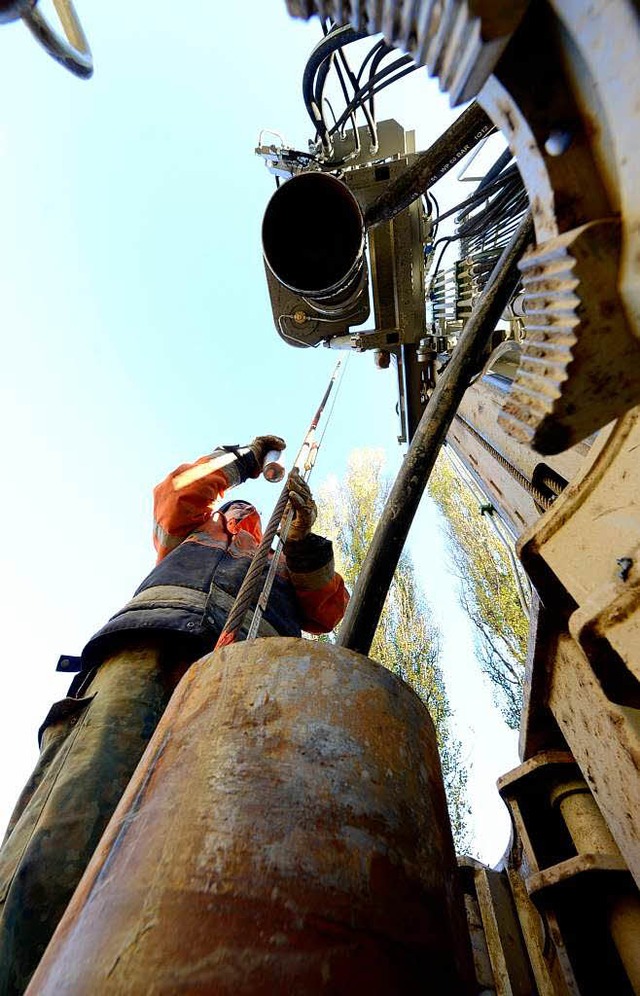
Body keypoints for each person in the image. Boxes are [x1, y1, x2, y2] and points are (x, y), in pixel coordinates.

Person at [0, 434, 349, 993]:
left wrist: (304, 539)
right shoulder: (189, 532)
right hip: (146, 652)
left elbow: (329, 609)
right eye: (233, 505)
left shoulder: (280, 564)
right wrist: (245, 461)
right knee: (70, 825)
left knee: (218, 850)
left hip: (245, 686)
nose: (239, 512)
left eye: (248, 510)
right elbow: (177, 493)